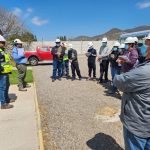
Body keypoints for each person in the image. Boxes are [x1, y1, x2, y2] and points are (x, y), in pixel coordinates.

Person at [113, 34, 150, 150]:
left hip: (139, 123)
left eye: (148, 45)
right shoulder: (127, 51)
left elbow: (121, 81)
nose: (146, 47)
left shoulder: (144, 69)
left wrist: (125, 60)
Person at [0, 35, 13, 109]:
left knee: (7, 85)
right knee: (2, 87)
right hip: (2, 72)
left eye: (3, 42)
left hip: (6, 72)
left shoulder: (2, 51)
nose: (3, 44)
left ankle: (6, 99)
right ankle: (3, 103)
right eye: (2, 42)